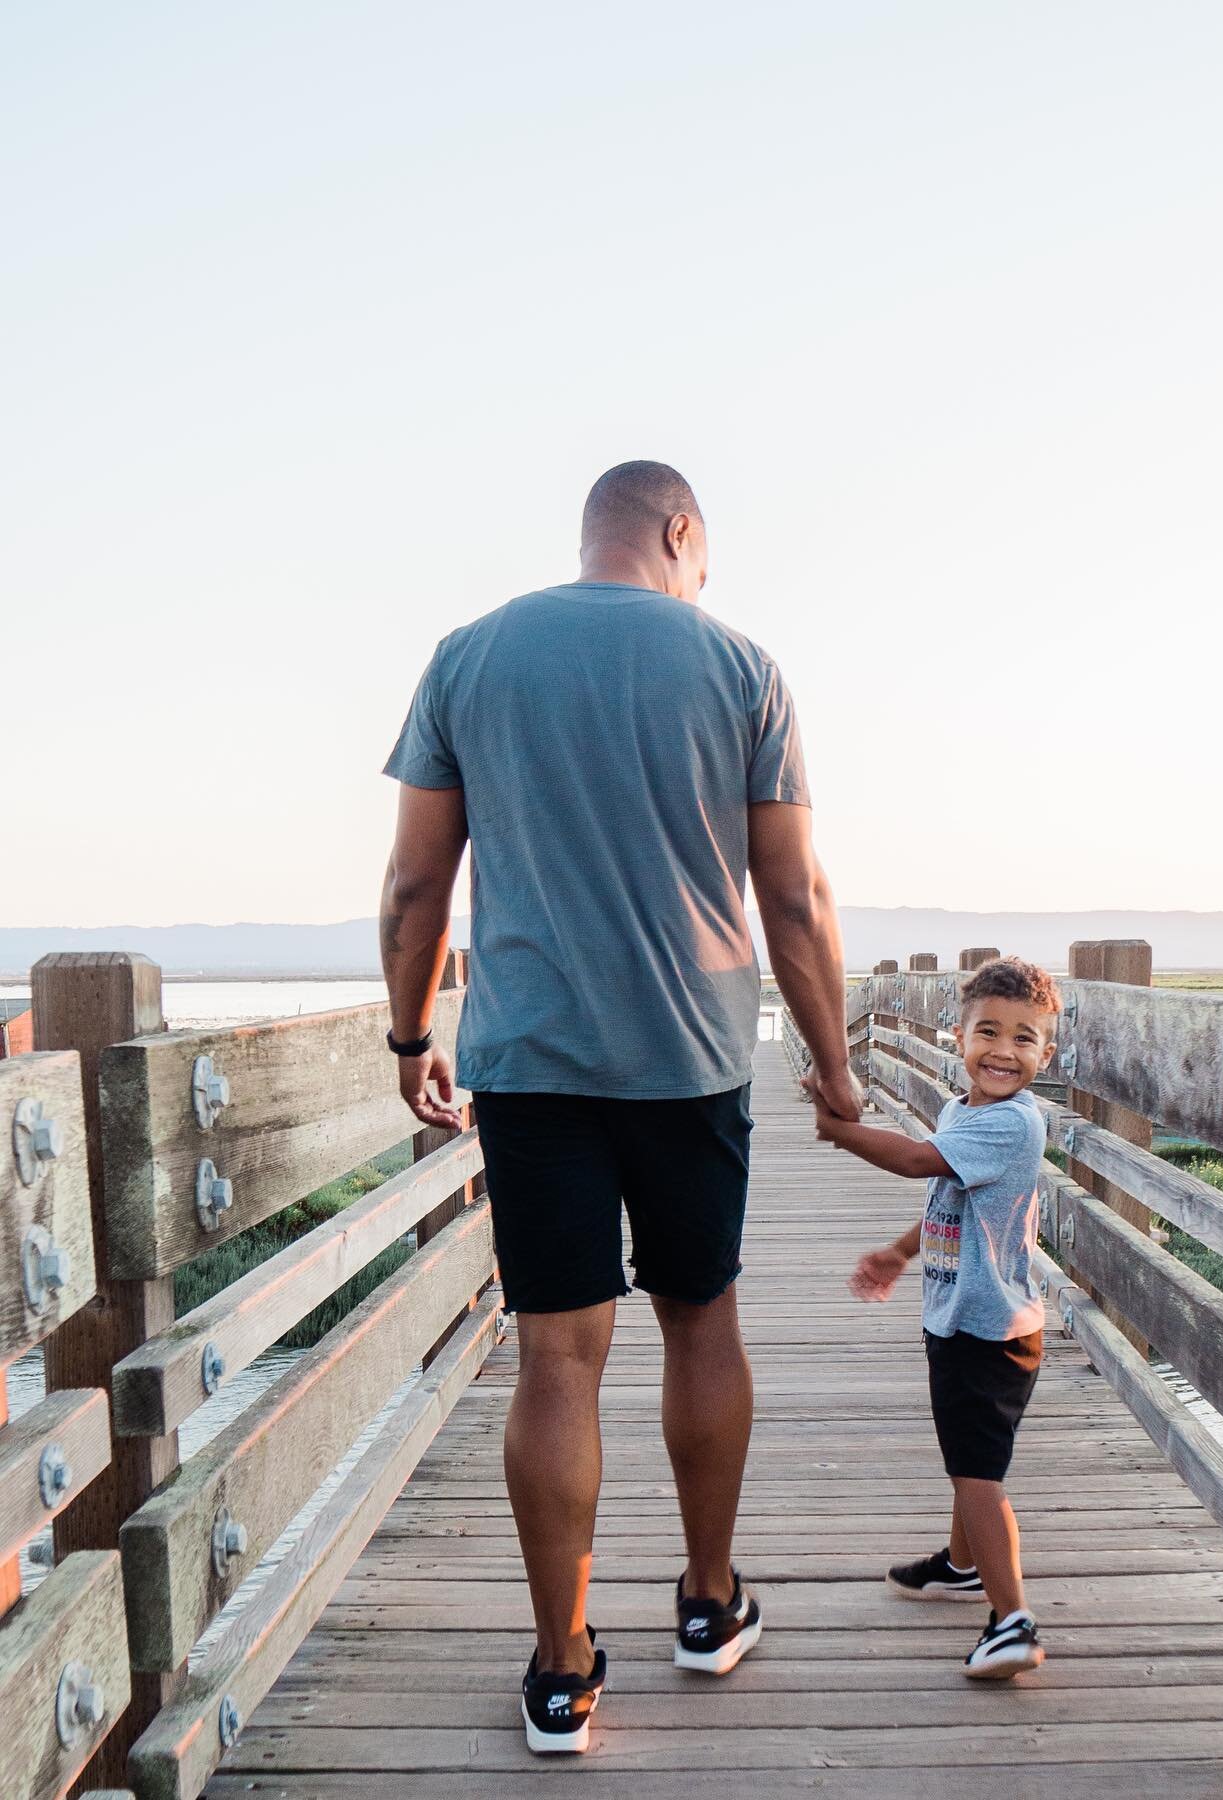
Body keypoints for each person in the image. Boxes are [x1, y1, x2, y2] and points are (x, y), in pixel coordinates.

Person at [377, 460, 860, 1753]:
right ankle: (708, 1605)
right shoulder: (741, 667)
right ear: (681, 534)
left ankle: (559, 1672)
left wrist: (411, 1030)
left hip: (527, 1062)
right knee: (701, 1321)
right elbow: (795, 897)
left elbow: (417, 888)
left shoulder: (469, 657)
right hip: (692, 1059)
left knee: (556, 1357)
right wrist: (834, 1062)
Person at [808, 955, 1059, 1679]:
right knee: (968, 1458)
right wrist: (897, 1252)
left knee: (979, 1473)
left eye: (1023, 1039)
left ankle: (1012, 1620)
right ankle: (960, 1565)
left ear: (1047, 1053)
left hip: (989, 1329)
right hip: (963, 1315)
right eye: (988, 1032)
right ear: (957, 1034)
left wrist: (838, 1129)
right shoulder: (965, 1111)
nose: (1003, 1052)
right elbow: (947, 1192)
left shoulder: (1013, 1124)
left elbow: (918, 1162)